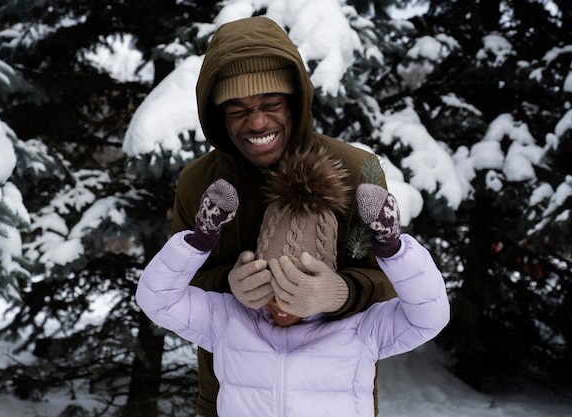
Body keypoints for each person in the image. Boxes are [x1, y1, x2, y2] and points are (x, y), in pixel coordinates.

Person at [169, 15, 398, 417]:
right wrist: (229, 283)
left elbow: (397, 286)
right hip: (230, 398)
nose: (257, 122)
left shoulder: (357, 171)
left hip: (335, 402)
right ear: (216, 114)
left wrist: (338, 293)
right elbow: (174, 286)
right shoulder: (199, 183)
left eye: (271, 104)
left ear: (296, 101)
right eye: (237, 110)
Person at [136, 149, 450, 416]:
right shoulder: (228, 320)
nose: (280, 302)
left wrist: (393, 248)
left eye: (294, 287)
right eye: (271, 284)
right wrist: (199, 240)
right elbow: (157, 300)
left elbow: (429, 316)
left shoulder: (361, 330)